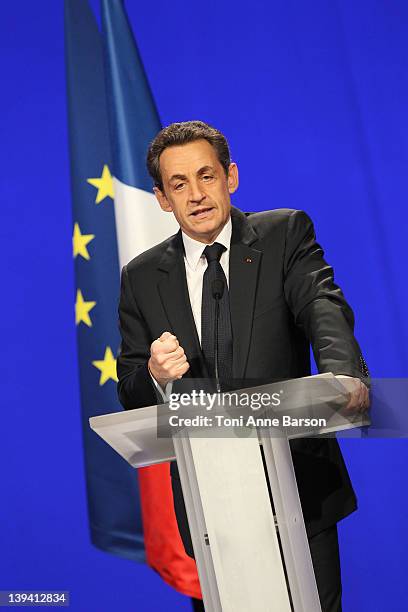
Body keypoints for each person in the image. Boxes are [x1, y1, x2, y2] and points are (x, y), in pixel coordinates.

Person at [117, 120, 370, 612]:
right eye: (178, 184)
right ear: (162, 200)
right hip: (211, 505)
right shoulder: (142, 277)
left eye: (206, 176)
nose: (196, 195)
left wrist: (343, 373)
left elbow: (321, 305)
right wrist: (154, 374)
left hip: (298, 486)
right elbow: (129, 388)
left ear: (230, 177)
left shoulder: (282, 234)